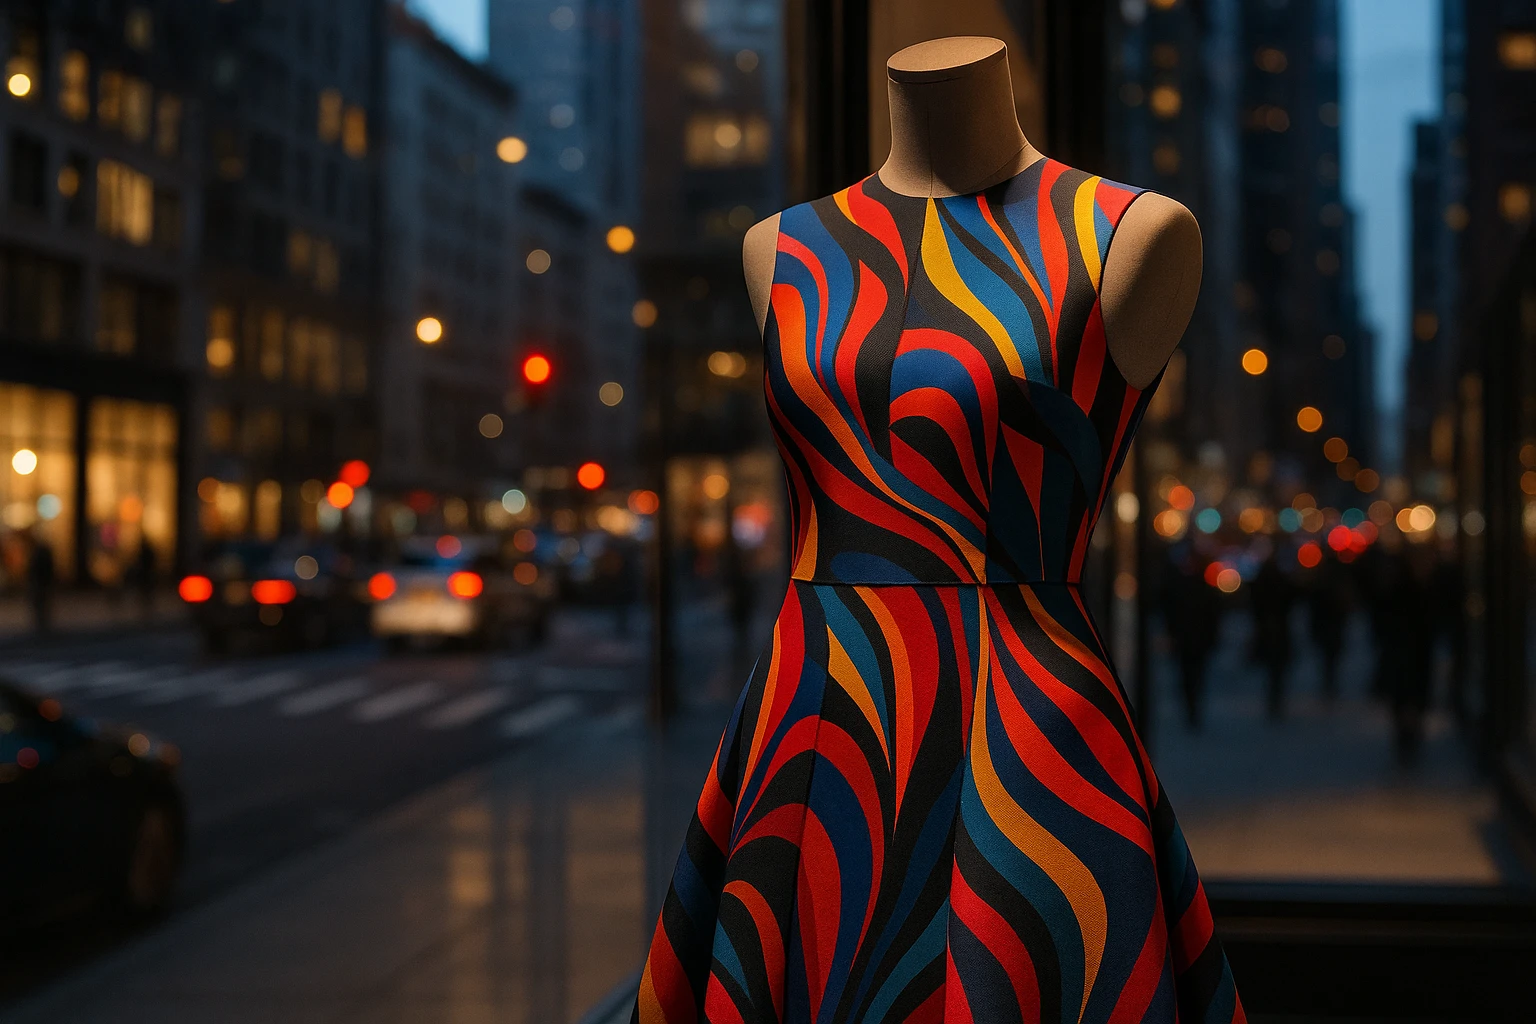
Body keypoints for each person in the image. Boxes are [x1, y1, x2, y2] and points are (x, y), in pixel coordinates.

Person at [1163, 546, 1222, 729]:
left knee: (1189, 677)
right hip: (1194, 640)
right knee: (1194, 676)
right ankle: (1193, 710)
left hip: (1189, 640)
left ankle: (1191, 710)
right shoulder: (1201, 589)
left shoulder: (1182, 587)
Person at [1249, 553, 1294, 719]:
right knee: (1277, 671)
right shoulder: (1283, 584)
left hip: (1268, 634)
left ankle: (1273, 702)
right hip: (1278, 634)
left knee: (1273, 670)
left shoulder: (1259, 586)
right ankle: (1275, 701)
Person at [1305, 551, 1348, 702]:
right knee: (1331, 659)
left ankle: (1328, 684)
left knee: (1328, 659)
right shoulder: (1336, 586)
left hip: (1327, 628)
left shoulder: (1319, 584)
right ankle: (1330, 685)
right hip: (1332, 628)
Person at [26, 532, 55, 635]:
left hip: (40, 583)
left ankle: (42, 625)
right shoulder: (40, 552)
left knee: (41, 604)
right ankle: (42, 625)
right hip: (41, 583)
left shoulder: (38, 553)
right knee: (41, 605)